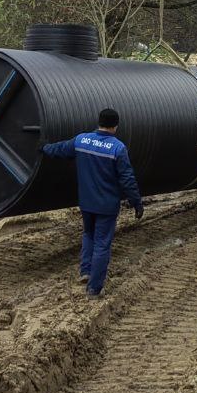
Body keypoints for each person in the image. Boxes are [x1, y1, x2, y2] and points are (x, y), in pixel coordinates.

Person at [41, 108, 143, 298]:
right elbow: (127, 179)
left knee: (88, 235)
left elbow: (59, 149)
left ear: (99, 122)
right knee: (102, 244)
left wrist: (43, 147)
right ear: (116, 126)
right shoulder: (118, 148)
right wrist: (136, 203)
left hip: (86, 203)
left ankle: (85, 271)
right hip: (106, 205)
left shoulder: (81, 140)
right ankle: (94, 288)